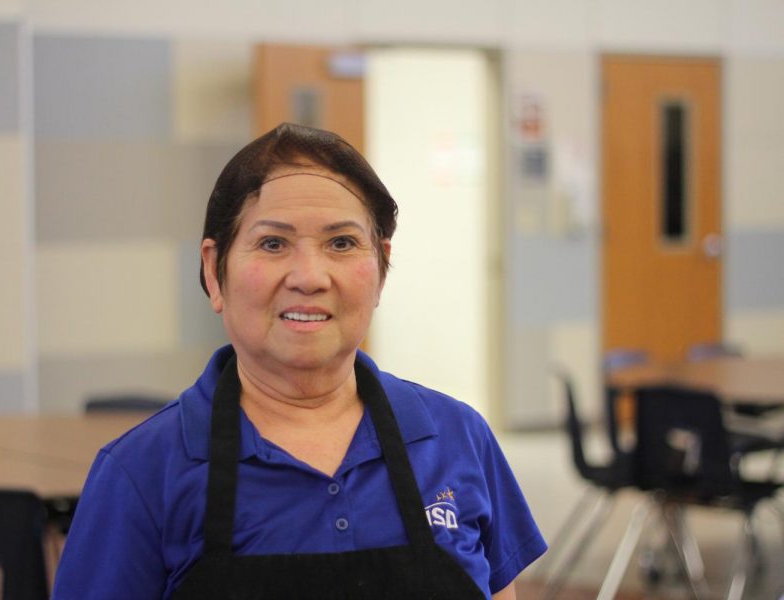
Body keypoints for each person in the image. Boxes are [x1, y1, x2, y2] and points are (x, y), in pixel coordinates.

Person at [52, 123, 546, 599]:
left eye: (341, 243)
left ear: (381, 268)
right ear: (213, 269)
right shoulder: (141, 473)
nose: (309, 277)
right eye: (273, 243)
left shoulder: (458, 439)